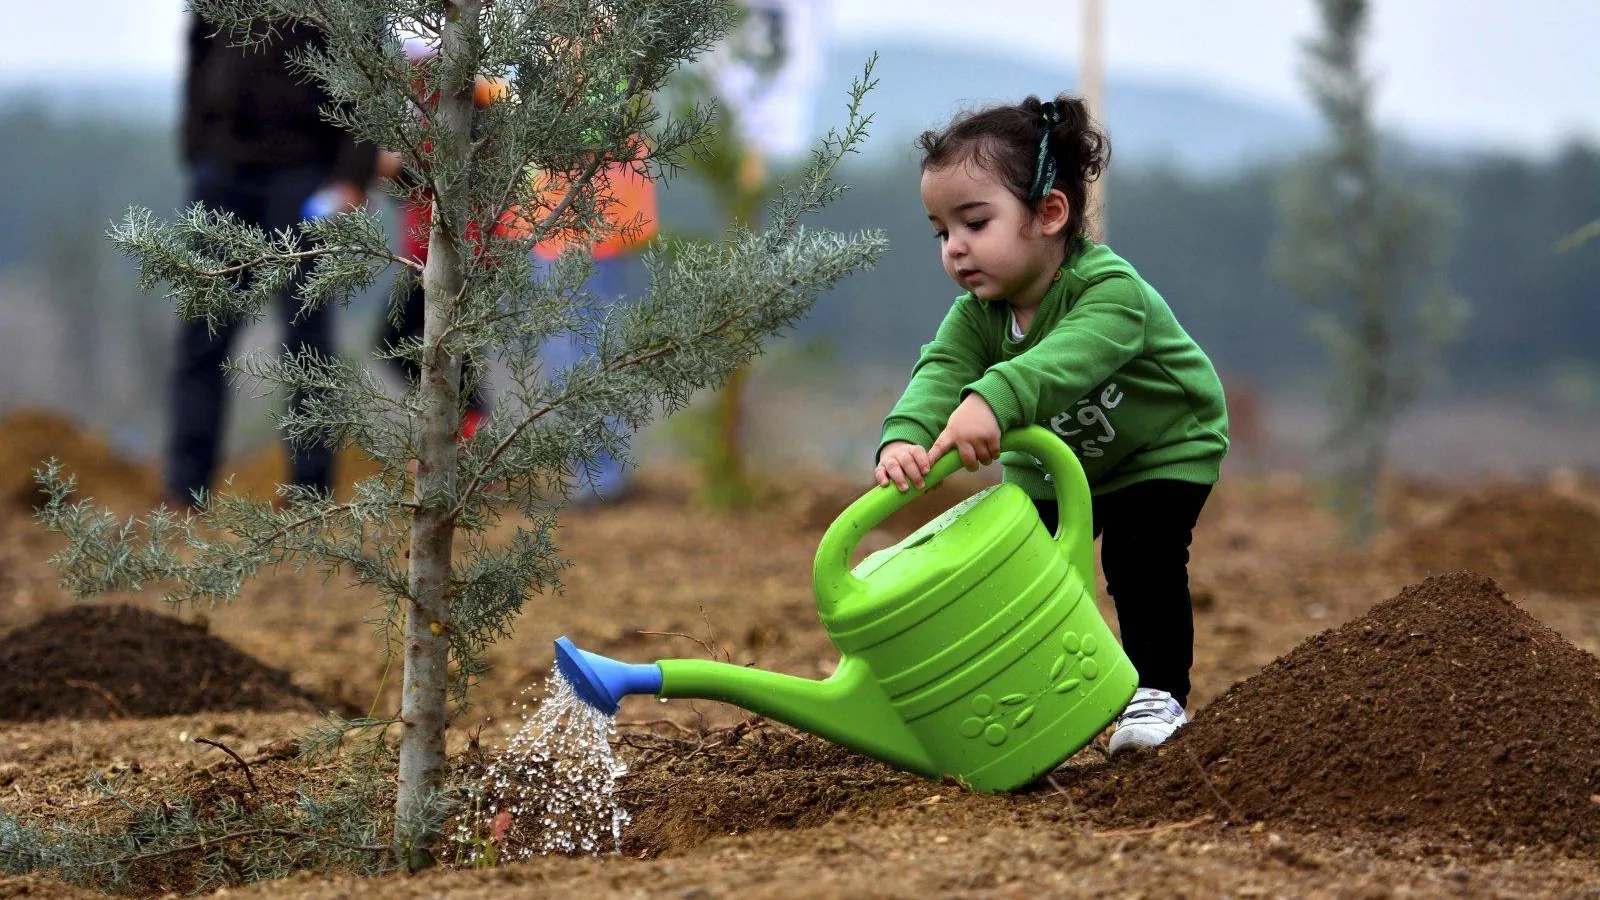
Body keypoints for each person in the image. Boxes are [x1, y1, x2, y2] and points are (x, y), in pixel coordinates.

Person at [873, 94, 1229, 755]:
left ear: (1049, 213)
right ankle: (1026, 707)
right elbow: (941, 369)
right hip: (1056, 461)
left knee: (1138, 556)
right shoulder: (979, 316)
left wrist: (991, 400)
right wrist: (907, 433)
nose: (955, 248)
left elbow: (1066, 363)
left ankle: (1158, 696)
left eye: (974, 223)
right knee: (1019, 570)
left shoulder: (1109, 291)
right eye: (941, 231)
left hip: (1158, 449)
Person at [169, 14, 377, 507]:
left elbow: (369, 78)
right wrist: (196, 146)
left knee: (307, 335)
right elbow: (198, 48)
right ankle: (184, 489)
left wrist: (352, 176)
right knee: (203, 329)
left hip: (305, 174)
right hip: (222, 170)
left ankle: (310, 492)